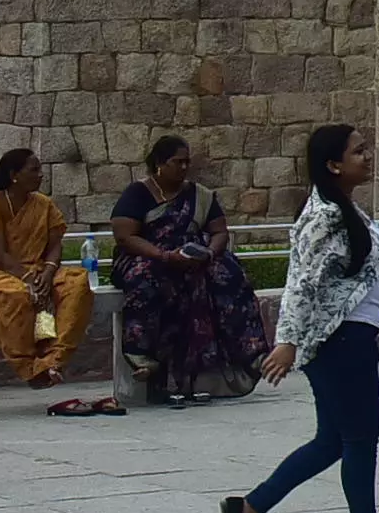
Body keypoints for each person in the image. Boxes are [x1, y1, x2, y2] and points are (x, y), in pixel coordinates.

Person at [222, 127, 379, 513]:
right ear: (333, 164)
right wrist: (286, 342)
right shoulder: (323, 217)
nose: (368, 155)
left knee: (332, 441)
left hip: (354, 336)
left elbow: (374, 273)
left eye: (367, 147)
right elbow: (301, 283)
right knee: (360, 438)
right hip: (336, 341)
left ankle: (248, 508)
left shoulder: (350, 211)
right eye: (358, 151)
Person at [109, 134, 266, 409]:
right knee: (149, 279)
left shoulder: (200, 195)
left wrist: (209, 253)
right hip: (146, 256)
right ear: (159, 164)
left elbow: (219, 231)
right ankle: (144, 357)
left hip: (192, 257)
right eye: (177, 162)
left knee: (227, 274)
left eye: (186, 162)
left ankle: (250, 353)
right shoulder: (138, 193)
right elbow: (125, 235)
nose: (183, 168)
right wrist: (164, 255)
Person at [0, 148, 105, 411]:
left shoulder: (43, 204)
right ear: (14, 175)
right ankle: (29, 367)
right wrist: (30, 278)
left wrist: (46, 272)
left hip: (40, 270)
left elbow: (55, 245)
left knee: (78, 284)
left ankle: (54, 359)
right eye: (34, 170)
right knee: (20, 295)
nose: (41, 175)